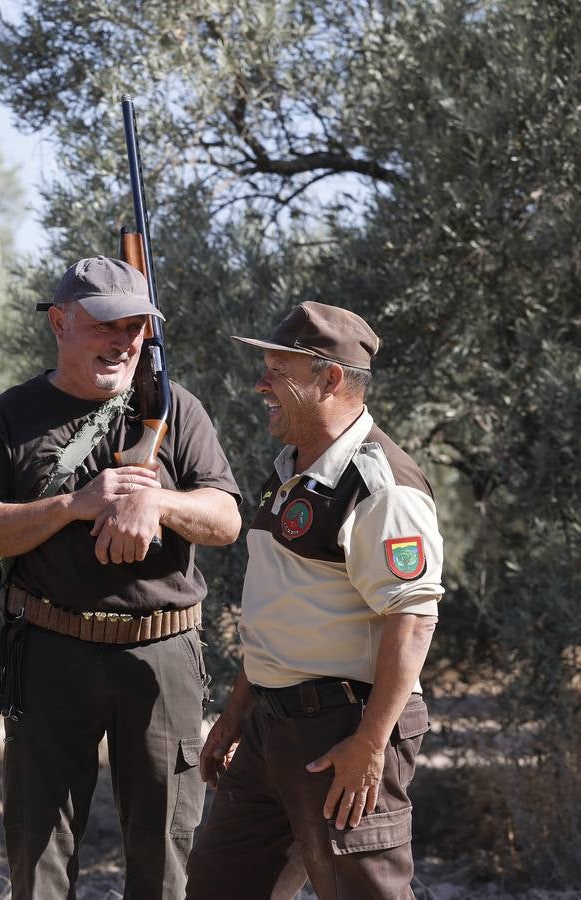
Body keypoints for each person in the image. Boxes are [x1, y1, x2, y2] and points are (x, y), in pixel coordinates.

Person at [0, 256, 243, 900]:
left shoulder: (176, 409)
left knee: (169, 849)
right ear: (59, 323)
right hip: (50, 650)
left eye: (136, 326)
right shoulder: (13, 415)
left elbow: (225, 519)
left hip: (162, 653)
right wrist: (72, 504)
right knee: (40, 848)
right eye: (104, 326)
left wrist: (157, 501)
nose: (122, 342)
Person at [185, 302, 442, 900]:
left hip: (344, 731)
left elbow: (413, 620)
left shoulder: (382, 486)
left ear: (330, 379)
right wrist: (236, 713)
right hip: (270, 727)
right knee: (218, 886)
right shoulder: (291, 473)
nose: (261, 384)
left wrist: (370, 746)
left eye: (279, 371)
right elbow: (283, 611)